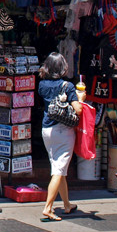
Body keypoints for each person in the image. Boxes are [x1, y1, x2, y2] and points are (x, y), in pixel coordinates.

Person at [36, 52, 85, 222]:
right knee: (58, 170)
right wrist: (80, 98)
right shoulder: (67, 86)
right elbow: (78, 109)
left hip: (46, 130)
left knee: (59, 167)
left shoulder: (42, 85)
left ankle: (66, 204)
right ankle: (48, 207)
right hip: (63, 131)